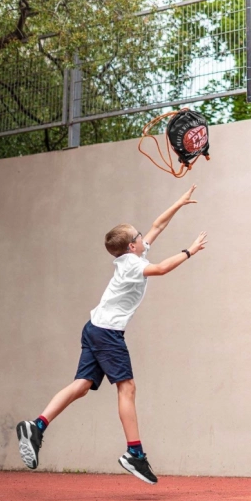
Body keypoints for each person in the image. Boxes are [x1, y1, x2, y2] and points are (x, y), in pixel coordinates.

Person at [16, 184, 207, 484]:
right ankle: (135, 453)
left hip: (94, 327)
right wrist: (189, 251)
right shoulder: (133, 265)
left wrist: (179, 203)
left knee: (81, 385)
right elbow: (160, 270)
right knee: (127, 388)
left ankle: (36, 426)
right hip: (107, 333)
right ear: (132, 246)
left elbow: (158, 225)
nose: (144, 236)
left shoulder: (133, 256)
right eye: (138, 236)